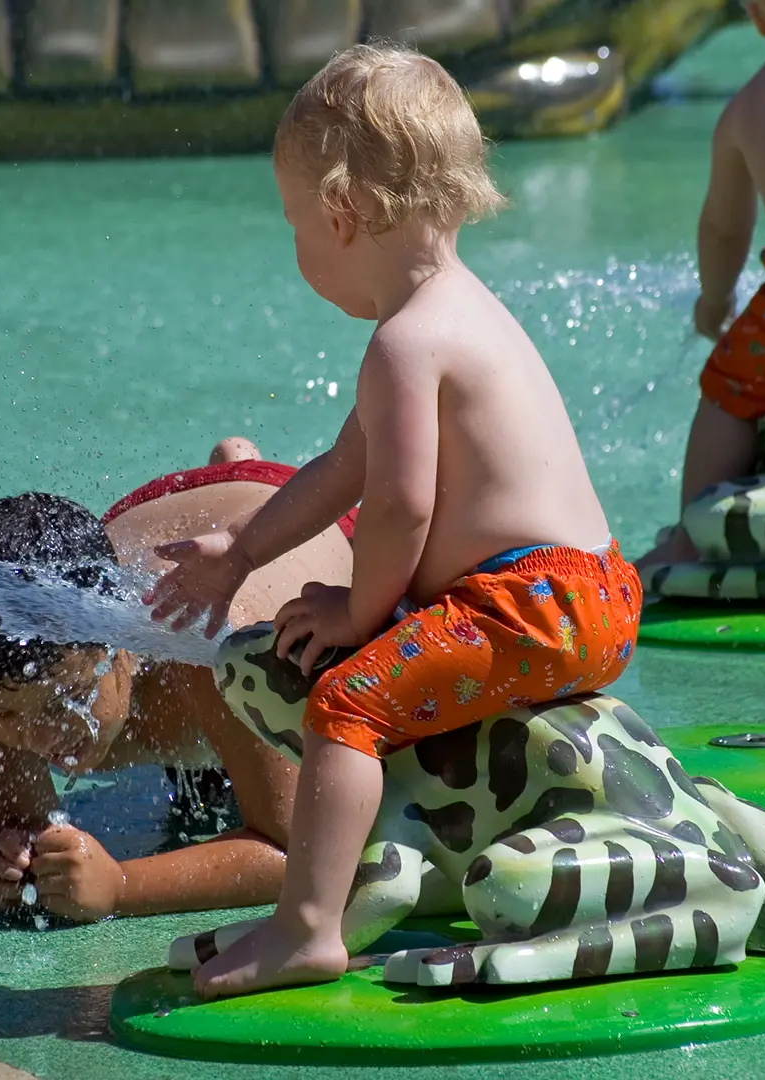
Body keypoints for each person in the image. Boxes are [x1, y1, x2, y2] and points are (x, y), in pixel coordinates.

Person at [145, 43, 642, 1000]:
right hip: (590, 587)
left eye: (295, 224)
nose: (297, 245)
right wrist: (243, 550)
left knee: (348, 704)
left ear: (338, 216)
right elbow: (345, 470)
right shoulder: (465, 311)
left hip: (531, 607)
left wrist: (359, 613)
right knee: (389, 674)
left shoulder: (405, 345)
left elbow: (403, 507)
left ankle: (307, 927)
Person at [0, 437, 354, 923]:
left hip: (290, 513)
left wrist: (122, 886)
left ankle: (241, 466)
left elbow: (300, 851)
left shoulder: (211, 650)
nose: (40, 738)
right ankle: (230, 466)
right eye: (4, 713)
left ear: (121, 651)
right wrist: (6, 858)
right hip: (146, 519)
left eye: (66, 701)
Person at [637, 0, 765, 569]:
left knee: (727, 394)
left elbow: (725, 230)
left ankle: (690, 538)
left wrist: (716, 300)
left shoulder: (752, 105)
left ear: (759, 13)